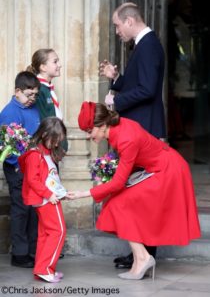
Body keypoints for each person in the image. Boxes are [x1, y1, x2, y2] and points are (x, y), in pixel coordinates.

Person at [68, 101, 201, 280]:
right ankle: (141, 258)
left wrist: (83, 194)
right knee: (117, 203)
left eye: (89, 130)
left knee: (119, 204)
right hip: (159, 168)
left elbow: (118, 183)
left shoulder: (125, 138)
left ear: (102, 126)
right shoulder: (117, 129)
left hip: (169, 171)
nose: (88, 136)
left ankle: (143, 258)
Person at [99, 2, 166, 267]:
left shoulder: (148, 45)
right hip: (142, 128)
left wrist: (115, 102)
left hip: (145, 129)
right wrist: (116, 79)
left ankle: (146, 254)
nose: (116, 31)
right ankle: (142, 252)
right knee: (138, 194)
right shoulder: (144, 45)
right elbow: (139, 84)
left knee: (142, 194)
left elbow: (148, 90)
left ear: (129, 21)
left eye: (117, 25)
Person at [18, 117, 70, 283]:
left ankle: (41, 269)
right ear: (45, 134)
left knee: (45, 234)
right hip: (46, 199)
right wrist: (49, 195)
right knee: (58, 231)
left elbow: (51, 177)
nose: (56, 144)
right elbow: (33, 180)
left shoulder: (44, 153)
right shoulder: (35, 155)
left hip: (48, 197)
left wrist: (61, 192)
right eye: (55, 140)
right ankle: (45, 269)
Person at [0, 71, 41, 268]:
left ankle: (33, 250)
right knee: (20, 210)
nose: (32, 99)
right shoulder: (9, 112)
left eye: (35, 95)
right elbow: (6, 145)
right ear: (17, 91)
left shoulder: (32, 108)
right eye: (28, 95)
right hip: (17, 168)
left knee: (33, 209)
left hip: (33, 167)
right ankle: (19, 254)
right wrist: (17, 166)